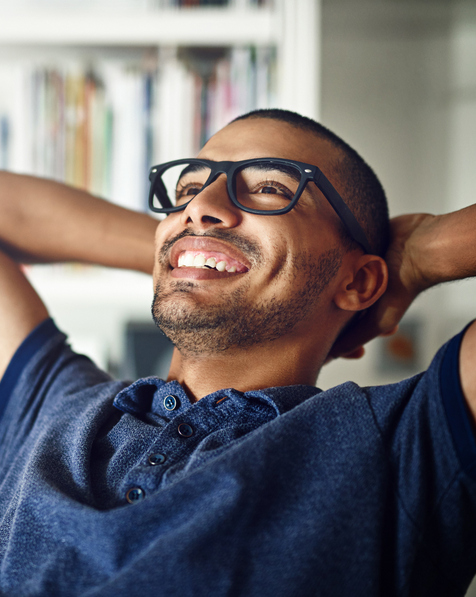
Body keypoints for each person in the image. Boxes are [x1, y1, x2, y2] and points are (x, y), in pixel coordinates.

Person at [0, 108, 475, 597]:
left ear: (357, 281)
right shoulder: (50, 402)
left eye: (270, 188)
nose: (200, 204)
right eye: (187, 191)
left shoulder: (403, 445)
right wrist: (191, 243)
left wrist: (421, 255)